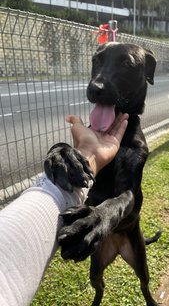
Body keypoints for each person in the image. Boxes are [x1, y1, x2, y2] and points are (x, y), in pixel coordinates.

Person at [0, 113, 129, 306]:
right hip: (92, 214)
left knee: (144, 278)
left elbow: (129, 194)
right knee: (95, 277)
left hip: (128, 228)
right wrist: (81, 152)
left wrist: (105, 214)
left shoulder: (135, 146)